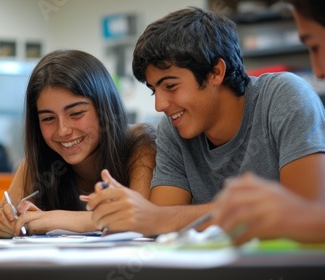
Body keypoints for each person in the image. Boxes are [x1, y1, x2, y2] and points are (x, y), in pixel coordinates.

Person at [86, 6, 325, 238]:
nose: (160, 105)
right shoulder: (173, 128)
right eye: (154, 90)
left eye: (170, 86)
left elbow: (305, 209)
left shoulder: (284, 96)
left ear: (216, 72)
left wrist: (159, 218)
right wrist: (147, 216)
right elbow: (161, 221)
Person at [0, 49, 156, 237]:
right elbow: (2, 221)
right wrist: (6, 222)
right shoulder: (37, 161)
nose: (63, 130)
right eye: (48, 118)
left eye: (76, 113)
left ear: (104, 109)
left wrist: (51, 220)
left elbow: (139, 219)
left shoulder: (141, 143)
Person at [212, 0, 325, 245]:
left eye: (316, 47)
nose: (318, 71)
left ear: (216, 73)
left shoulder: (287, 92)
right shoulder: (170, 129)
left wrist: (294, 215)